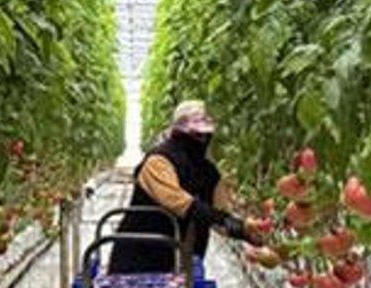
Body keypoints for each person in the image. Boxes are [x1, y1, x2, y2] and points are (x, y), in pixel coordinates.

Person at [108, 100, 259, 274]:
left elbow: (219, 217)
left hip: (185, 264)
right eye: (195, 134)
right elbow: (181, 204)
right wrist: (234, 224)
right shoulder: (158, 162)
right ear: (179, 133)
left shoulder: (210, 174)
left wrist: (248, 232)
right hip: (139, 257)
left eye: (204, 134)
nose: (201, 140)